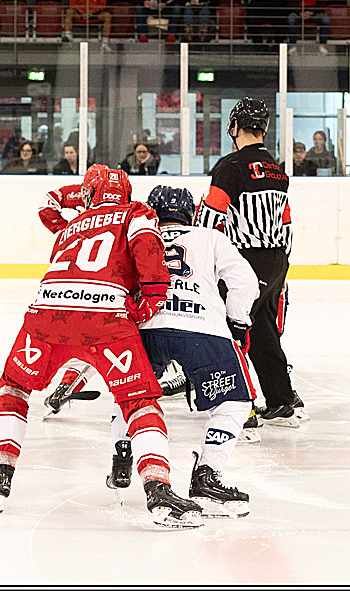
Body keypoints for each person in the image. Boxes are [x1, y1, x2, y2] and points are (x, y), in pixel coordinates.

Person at [0, 165, 204, 529]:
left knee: (12, 388)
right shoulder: (137, 213)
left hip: (47, 314)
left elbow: (49, 206)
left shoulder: (69, 227)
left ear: (89, 196)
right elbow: (148, 252)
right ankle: (158, 490)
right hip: (106, 318)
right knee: (139, 403)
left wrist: (80, 196)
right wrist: (150, 299)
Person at [103, 184, 259, 517]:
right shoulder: (209, 237)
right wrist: (238, 320)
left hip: (146, 330)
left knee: (132, 396)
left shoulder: (138, 236)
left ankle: (123, 451)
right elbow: (245, 279)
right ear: (191, 212)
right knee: (236, 401)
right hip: (203, 328)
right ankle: (207, 474)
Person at [196, 98, 303, 429]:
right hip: (275, 262)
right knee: (265, 331)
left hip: (244, 262)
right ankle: (281, 401)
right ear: (264, 129)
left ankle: (243, 407)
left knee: (231, 331)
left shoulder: (231, 168)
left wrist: (199, 260)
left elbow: (207, 220)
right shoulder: (278, 170)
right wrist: (279, 268)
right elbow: (286, 224)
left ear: (234, 127)